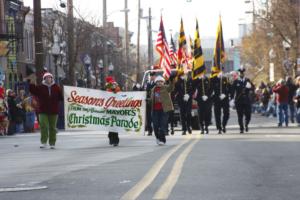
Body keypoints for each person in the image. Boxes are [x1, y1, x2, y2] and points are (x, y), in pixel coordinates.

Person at [29, 72, 63, 149]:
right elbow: (32, 90)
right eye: (46, 78)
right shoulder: (40, 87)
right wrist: (32, 81)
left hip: (54, 110)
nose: (48, 79)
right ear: (44, 79)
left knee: (52, 127)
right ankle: (43, 142)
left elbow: (61, 98)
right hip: (42, 110)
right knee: (44, 125)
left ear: (52, 79)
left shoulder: (56, 87)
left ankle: (52, 143)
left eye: (50, 77)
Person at [151, 75, 175, 145]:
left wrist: (171, 80)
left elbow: (171, 87)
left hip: (164, 110)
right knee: (155, 125)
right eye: (158, 82)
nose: (159, 83)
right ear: (156, 82)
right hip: (155, 110)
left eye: (161, 82)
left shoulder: (166, 87)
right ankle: (158, 137)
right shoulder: (153, 89)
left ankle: (162, 140)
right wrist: (147, 100)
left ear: (163, 82)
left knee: (162, 125)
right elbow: (151, 99)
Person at [231, 68, 254, 133]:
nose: (241, 74)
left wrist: (250, 87)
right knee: (240, 115)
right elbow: (232, 90)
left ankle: (246, 124)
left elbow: (253, 88)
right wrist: (231, 98)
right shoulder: (236, 81)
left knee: (248, 114)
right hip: (239, 100)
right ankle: (241, 128)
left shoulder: (247, 80)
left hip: (247, 100)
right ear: (239, 74)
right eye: (240, 73)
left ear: (244, 74)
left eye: (242, 73)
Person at [105, 76, 121, 146]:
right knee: (112, 125)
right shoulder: (108, 89)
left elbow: (119, 94)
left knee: (113, 125)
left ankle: (114, 139)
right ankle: (113, 139)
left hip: (114, 108)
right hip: (110, 108)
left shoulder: (113, 87)